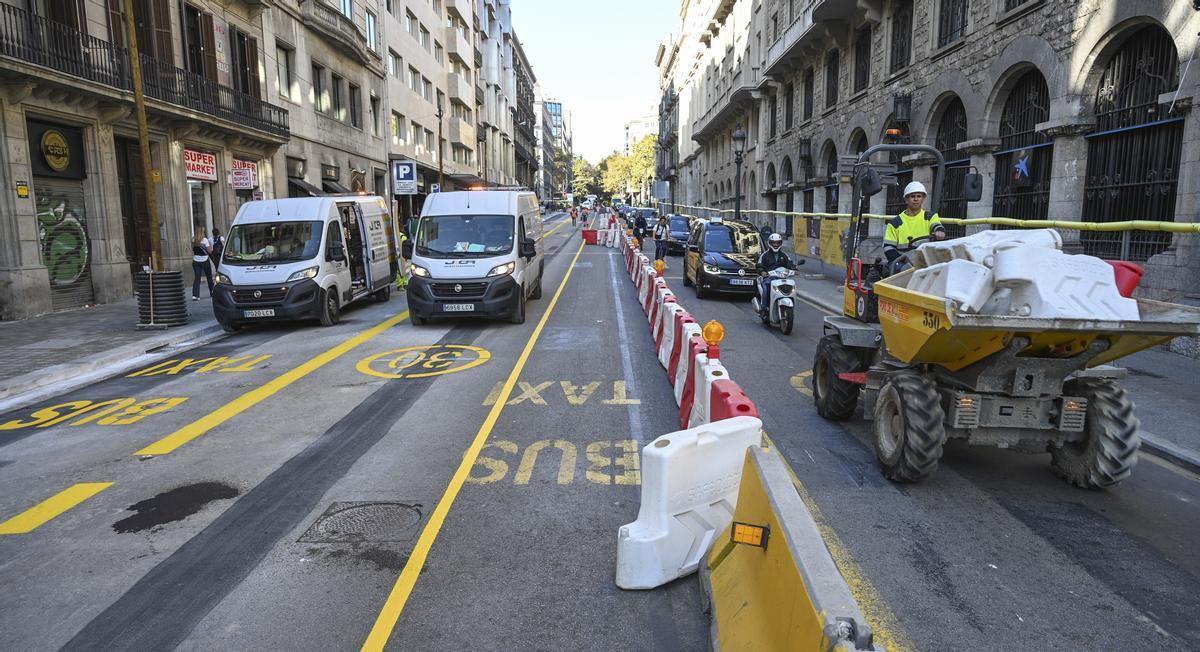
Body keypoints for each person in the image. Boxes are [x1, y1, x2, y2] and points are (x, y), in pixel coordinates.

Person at [884, 181, 946, 274]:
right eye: (912, 196)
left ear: (923, 198)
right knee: (908, 271)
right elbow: (888, 248)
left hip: (925, 260)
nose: (916, 199)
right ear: (906, 199)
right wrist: (905, 260)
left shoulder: (930, 217)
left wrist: (939, 231)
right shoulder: (895, 223)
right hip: (902, 262)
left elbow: (937, 225)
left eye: (919, 196)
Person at [756, 233, 795, 319]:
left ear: (780, 243)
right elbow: (759, 265)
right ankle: (764, 309)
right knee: (766, 288)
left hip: (781, 278)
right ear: (770, 243)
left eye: (777, 243)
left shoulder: (784, 255)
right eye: (773, 243)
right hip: (769, 278)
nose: (775, 245)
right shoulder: (765, 255)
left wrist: (794, 269)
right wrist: (762, 271)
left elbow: (790, 264)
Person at [191, 227, 214, 301]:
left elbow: (192, 249)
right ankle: (212, 292)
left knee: (197, 278)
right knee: (209, 277)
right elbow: (210, 251)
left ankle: (195, 295)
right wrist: (210, 246)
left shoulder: (193, 239)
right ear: (202, 232)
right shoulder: (205, 240)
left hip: (196, 261)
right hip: (205, 260)